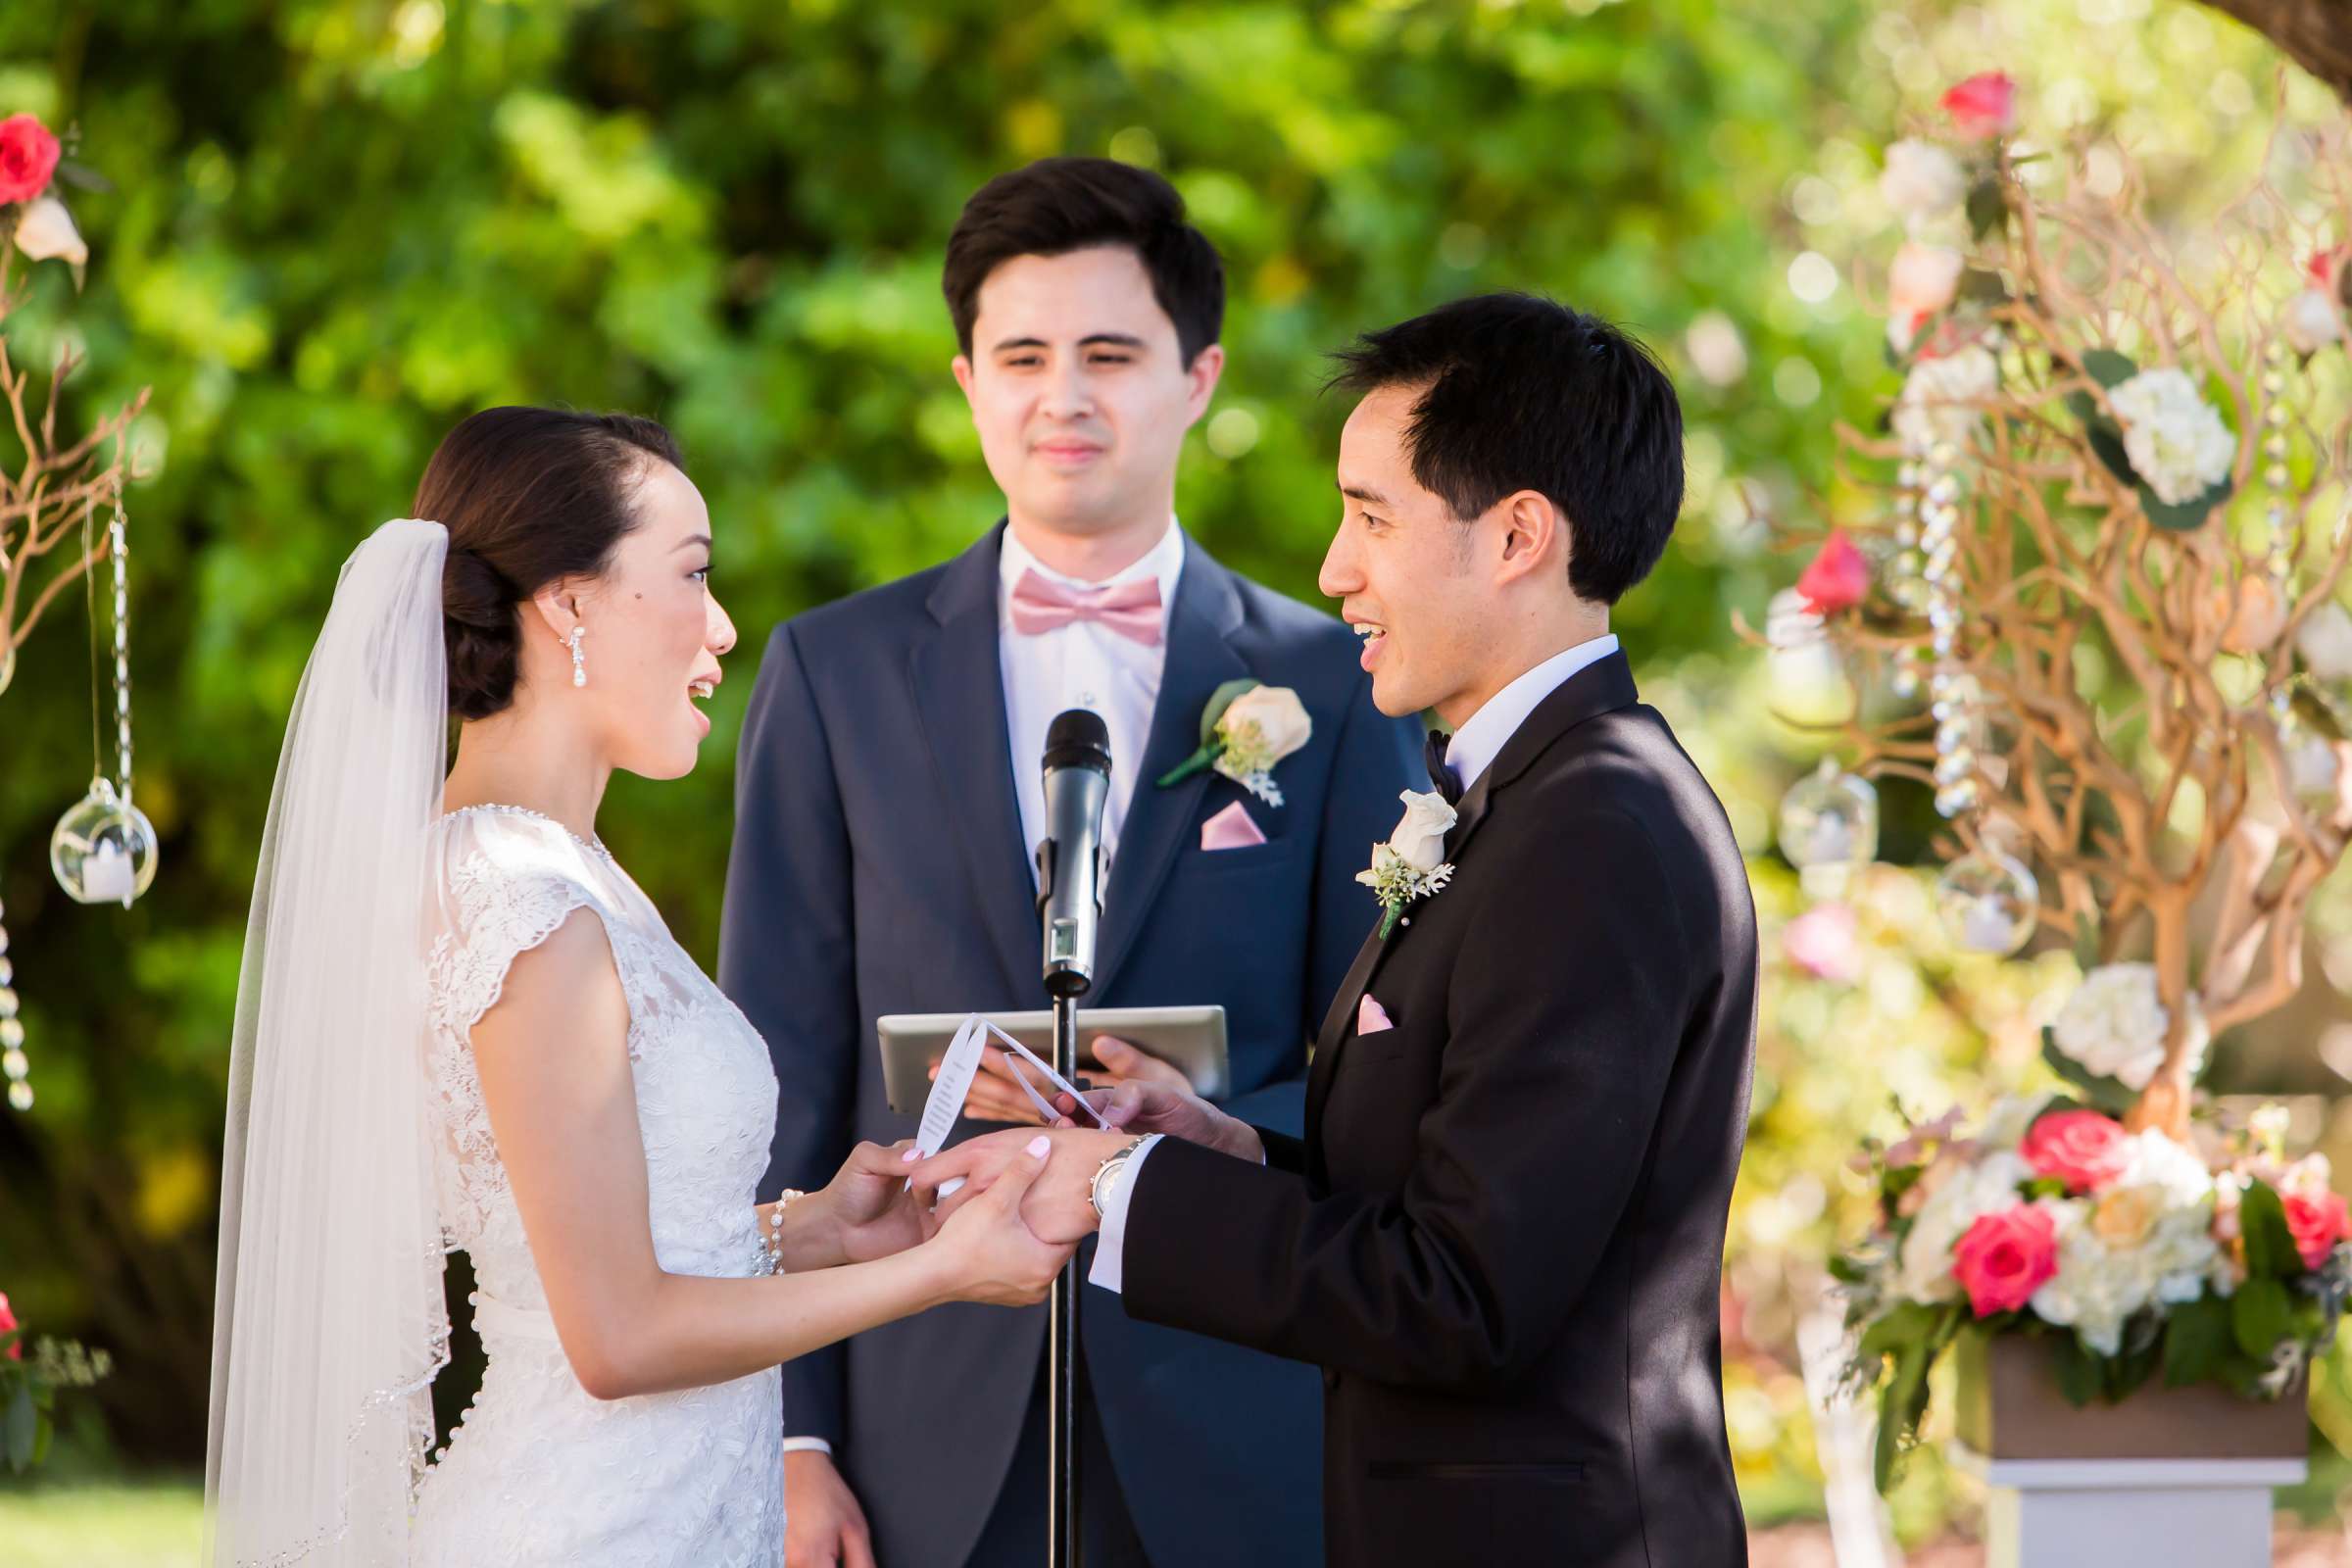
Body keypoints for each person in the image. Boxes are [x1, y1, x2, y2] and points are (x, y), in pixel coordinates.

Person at [914, 294, 1759, 1568]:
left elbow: (1466, 1296)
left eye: (1373, 516)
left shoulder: (1599, 825)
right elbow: (1455, 1184)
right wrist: (1220, 1150)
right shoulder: (1534, 798)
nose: (1332, 569)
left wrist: (1121, 1192)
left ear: (1519, 535)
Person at [203, 407, 1074, 1568]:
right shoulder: (523, 902)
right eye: (691, 576)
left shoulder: (567, 872)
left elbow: (599, 1242)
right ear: (568, 602)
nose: (720, 628)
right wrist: (940, 1272)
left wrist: (813, 1229)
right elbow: (614, 1333)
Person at [721, 158, 1420, 1568]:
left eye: (1111, 354)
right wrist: (791, 1444)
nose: (1065, 397)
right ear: (968, 379)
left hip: (1236, 1385)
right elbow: (778, 1074)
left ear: (1199, 376)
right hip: (917, 1407)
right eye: (1022, 356)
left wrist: (1217, 1122)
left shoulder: (1335, 681)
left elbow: (1385, 1050)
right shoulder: (833, 672)